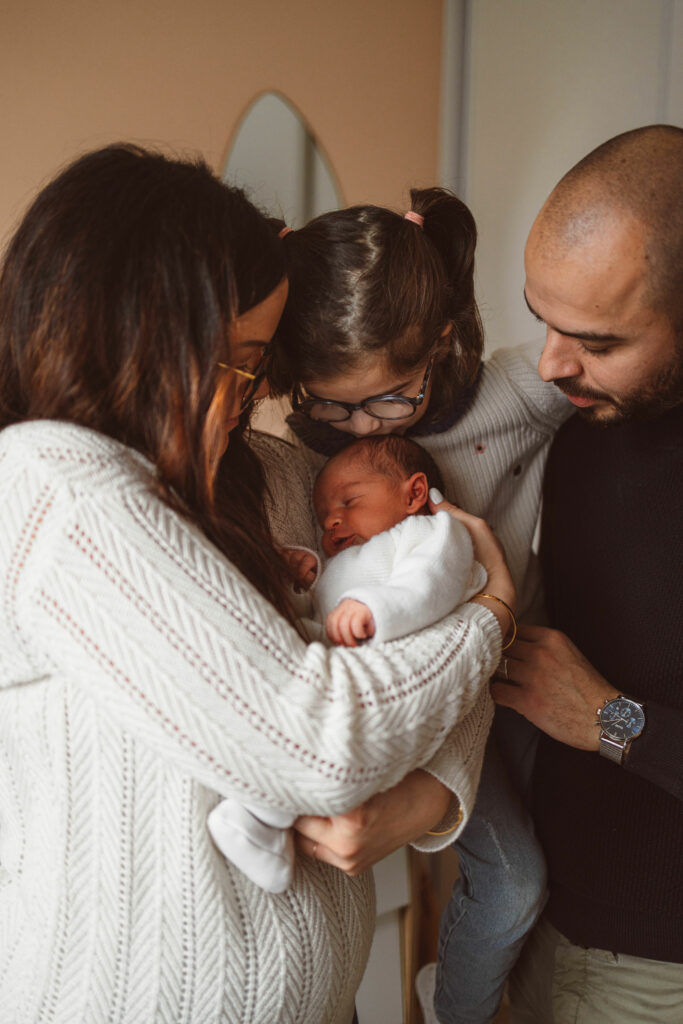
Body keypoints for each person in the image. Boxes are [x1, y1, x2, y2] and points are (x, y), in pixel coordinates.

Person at [0, 143, 516, 1024]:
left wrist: (428, 793)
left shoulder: (276, 479)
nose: (250, 394)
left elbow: (405, 640)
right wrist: (490, 619)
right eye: (237, 359)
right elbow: (323, 736)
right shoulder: (55, 487)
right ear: (144, 333)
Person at [271, 189, 571, 1023]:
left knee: (546, 863)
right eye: (327, 403)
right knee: (512, 878)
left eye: (388, 399)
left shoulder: (515, 392)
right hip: (433, 699)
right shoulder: (307, 456)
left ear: (441, 342)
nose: (353, 425)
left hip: (524, 675)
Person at [490, 124, 683, 1023]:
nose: (550, 366)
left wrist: (611, 722)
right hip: (531, 923)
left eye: (597, 341)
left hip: (657, 969)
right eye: (543, 321)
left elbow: (595, 707)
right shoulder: (577, 433)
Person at [208, 435, 487, 893]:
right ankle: (256, 820)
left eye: (349, 501)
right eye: (323, 517)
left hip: (393, 669)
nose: (332, 519)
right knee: (287, 725)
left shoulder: (433, 534)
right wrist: (299, 574)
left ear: (414, 493)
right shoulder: (348, 557)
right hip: (338, 663)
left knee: (320, 746)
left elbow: (433, 582)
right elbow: (322, 607)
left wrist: (375, 607)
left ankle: (260, 816)